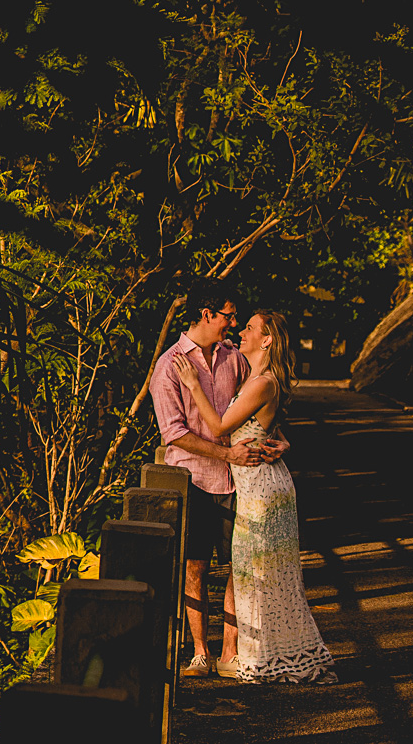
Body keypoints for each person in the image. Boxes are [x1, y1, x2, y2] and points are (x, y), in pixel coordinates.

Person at [173, 310, 337, 683]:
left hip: (261, 489)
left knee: (259, 573)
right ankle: (263, 653)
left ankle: (272, 655)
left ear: (267, 341)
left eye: (249, 328)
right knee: (256, 573)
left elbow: (218, 427)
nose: (240, 332)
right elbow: (263, 424)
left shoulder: (262, 383)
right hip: (254, 484)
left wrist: (193, 382)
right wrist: (282, 439)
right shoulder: (255, 379)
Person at [149, 284, 287, 679]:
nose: (233, 323)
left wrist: (279, 436)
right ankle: (199, 652)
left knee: (236, 566)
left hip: (237, 480)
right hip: (192, 478)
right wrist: (226, 453)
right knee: (195, 566)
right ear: (206, 314)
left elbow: (261, 405)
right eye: (228, 315)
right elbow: (173, 433)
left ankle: (229, 651)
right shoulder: (170, 364)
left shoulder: (235, 358)